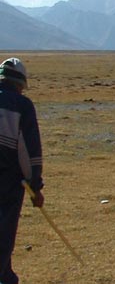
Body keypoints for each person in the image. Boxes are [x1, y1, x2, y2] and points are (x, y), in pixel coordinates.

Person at [0, 58, 43, 284]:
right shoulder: (21, 106)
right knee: (3, 236)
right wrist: (35, 186)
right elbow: (30, 153)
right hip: (7, 183)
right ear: (20, 84)